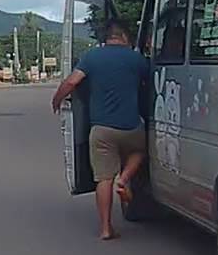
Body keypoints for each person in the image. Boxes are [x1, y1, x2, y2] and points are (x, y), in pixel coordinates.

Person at [51, 21, 149, 241]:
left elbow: (71, 82)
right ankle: (124, 178)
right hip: (131, 126)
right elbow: (150, 82)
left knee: (103, 179)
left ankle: (105, 228)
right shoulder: (136, 59)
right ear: (124, 37)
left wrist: (57, 100)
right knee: (139, 151)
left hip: (102, 130)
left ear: (106, 38)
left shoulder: (92, 57)